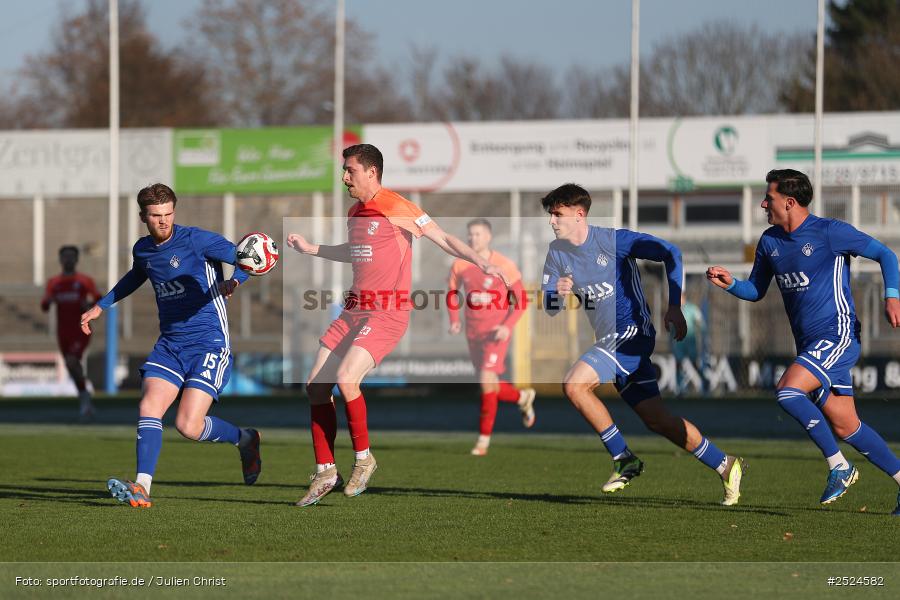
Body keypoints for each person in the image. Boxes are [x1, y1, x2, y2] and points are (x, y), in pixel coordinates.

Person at [287, 143, 504, 507]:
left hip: (387, 312)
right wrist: (314, 249)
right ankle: (326, 470)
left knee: (346, 380)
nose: (344, 177)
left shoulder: (398, 207)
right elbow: (355, 252)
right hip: (354, 309)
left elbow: (445, 238)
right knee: (314, 387)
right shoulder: (356, 211)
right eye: (344, 170)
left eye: (350, 171)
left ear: (371, 172)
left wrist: (480, 264)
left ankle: (363, 459)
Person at [707, 169, 900, 515]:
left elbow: (886, 255)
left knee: (787, 391)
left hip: (838, 335)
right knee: (845, 424)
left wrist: (892, 296)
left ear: (790, 202)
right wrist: (731, 283)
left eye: (770, 197)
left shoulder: (830, 232)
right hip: (810, 345)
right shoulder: (769, 242)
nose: (764, 203)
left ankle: (839, 466)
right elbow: (756, 290)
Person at [541, 183, 743, 505]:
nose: (552, 221)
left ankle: (623, 457)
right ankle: (725, 464)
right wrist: (557, 294)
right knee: (657, 419)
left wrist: (674, 305)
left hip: (632, 335)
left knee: (574, 385)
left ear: (579, 214)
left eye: (557, 214)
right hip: (609, 341)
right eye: (550, 215)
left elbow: (671, 253)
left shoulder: (614, 241)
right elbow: (550, 307)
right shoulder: (556, 253)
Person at [80, 183, 262, 508]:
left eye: (168, 214)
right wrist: (101, 305)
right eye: (156, 216)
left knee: (188, 426)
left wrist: (234, 281)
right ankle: (142, 487)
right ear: (143, 217)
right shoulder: (143, 250)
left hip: (209, 343)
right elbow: (137, 275)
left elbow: (248, 258)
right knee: (149, 407)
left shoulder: (196, 240)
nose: (163, 221)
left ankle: (246, 439)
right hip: (170, 344)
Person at [447, 218, 536, 456]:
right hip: (473, 333)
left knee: (486, 382)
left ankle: (483, 441)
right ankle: (522, 397)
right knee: (491, 385)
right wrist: (455, 321)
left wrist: (507, 326)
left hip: (496, 333)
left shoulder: (504, 265)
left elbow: (521, 302)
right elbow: (452, 294)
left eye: (477, 234)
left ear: (488, 237)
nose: (472, 239)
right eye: (470, 235)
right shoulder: (459, 265)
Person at [41, 245, 100, 420]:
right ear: (60, 260)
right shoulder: (54, 282)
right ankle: (85, 397)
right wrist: (50, 300)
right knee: (71, 365)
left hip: (80, 329)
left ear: (77, 259)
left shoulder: (84, 280)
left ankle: (84, 399)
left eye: (71, 256)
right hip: (63, 332)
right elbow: (44, 306)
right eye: (65, 256)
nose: (68, 259)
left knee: (71, 361)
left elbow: (99, 299)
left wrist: (88, 306)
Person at [670, 293, 705, 396]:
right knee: (678, 364)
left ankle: (705, 382)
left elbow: (700, 323)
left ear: (684, 297)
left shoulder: (692, 308)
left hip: (690, 342)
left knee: (695, 364)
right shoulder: (674, 310)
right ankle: (680, 389)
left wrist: (702, 335)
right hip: (678, 342)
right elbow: (671, 327)